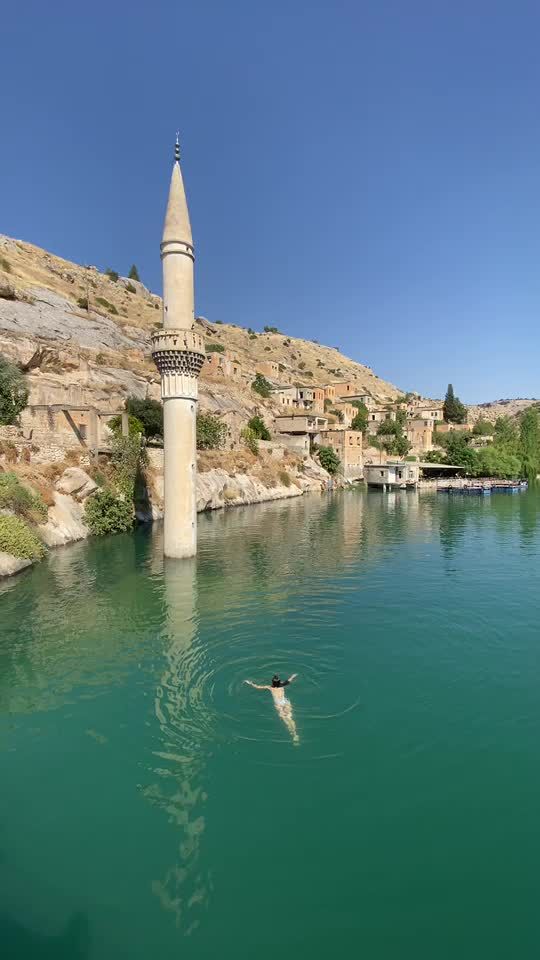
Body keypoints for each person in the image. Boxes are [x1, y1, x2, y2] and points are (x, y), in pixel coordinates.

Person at [244, 673, 299, 744]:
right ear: (279, 682)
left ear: (272, 682)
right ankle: (295, 733)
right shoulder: (282, 685)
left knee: (284, 717)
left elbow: (258, 687)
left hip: (278, 704)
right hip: (285, 701)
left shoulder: (270, 687)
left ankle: (293, 734)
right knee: (290, 717)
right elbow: (289, 680)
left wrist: (250, 683)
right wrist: (293, 676)